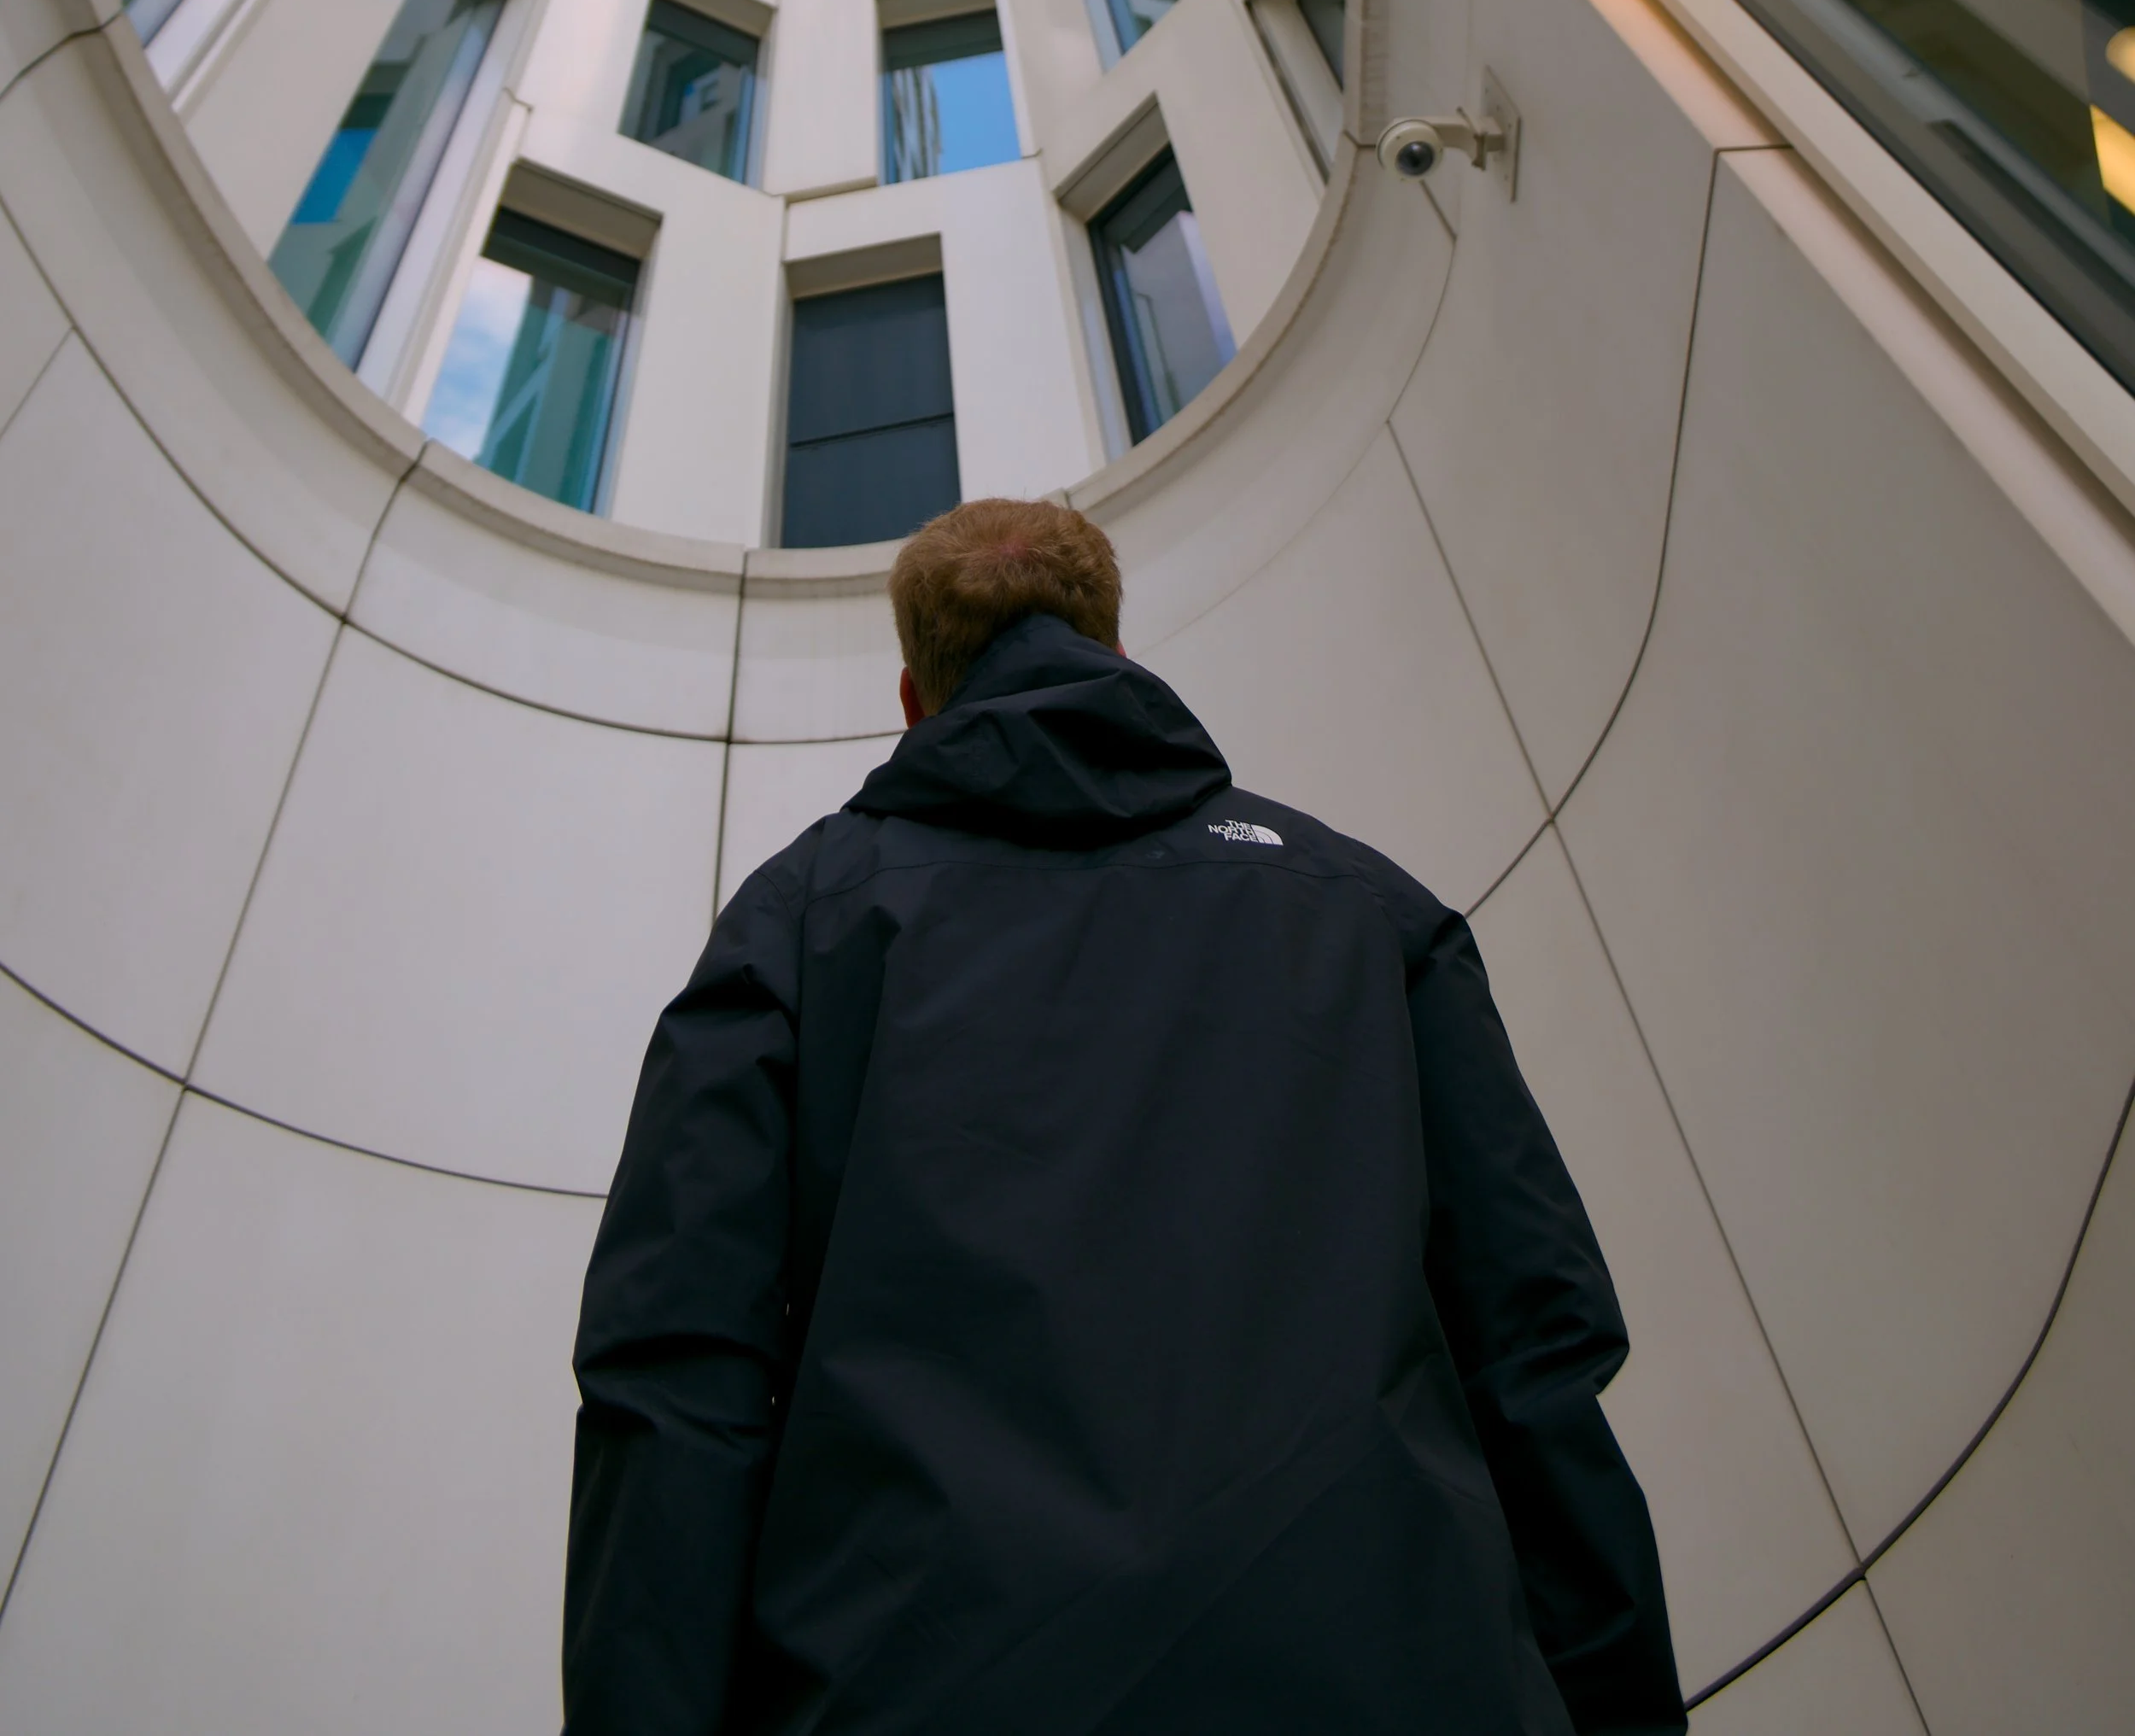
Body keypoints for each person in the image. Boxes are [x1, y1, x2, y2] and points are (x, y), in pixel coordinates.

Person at [562, 496, 1687, 1736]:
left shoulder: (796, 924)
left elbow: (674, 1382)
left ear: (912, 696)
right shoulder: (1368, 912)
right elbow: (1536, 1360)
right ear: (1120, 652)